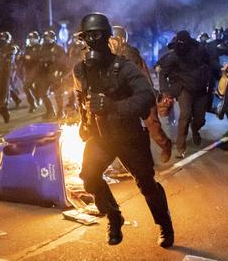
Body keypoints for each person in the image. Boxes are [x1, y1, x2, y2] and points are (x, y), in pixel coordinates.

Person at [74, 13, 174, 247]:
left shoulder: (124, 67)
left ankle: (164, 225)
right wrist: (84, 122)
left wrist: (113, 107)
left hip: (128, 136)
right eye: (85, 37)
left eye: (95, 35)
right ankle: (114, 216)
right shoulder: (80, 70)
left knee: (146, 184)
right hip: (100, 137)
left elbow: (146, 96)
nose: (90, 41)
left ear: (107, 37)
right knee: (89, 178)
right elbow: (81, 97)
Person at [109, 25, 173, 163]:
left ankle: (166, 145)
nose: (110, 44)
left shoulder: (129, 55)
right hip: (128, 98)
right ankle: (129, 162)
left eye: (113, 40)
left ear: (120, 40)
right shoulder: (113, 56)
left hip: (143, 94)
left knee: (153, 126)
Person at [157, 31, 211, 158]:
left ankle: (196, 129)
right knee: (185, 115)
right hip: (183, 88)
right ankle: (180, 148)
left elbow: (210, 64)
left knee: (200, 119)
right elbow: (162, 73)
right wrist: (165, 91)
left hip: (200, 88)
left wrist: (213, 76)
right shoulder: (174, 55)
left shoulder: (200, 51)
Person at [37, 30, 68, 119]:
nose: (48, 39)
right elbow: (39, 60)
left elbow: (64, 62)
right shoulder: (42, 48)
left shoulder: (59, 48)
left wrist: (61, 73)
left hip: (56, 75)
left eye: (49, 37)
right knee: (43, 93)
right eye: (46, 38)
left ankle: (60, 112)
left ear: (53, 38)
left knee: (58, 94)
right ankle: (50, 111)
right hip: (45, 75)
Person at [17, 31, 41, 113]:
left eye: (33, 38)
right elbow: (24, 59)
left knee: (36, 87)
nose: (31, 40)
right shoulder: (27, 48)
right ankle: (32, 104)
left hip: (38, 72)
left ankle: (37, 99)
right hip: (29, 72)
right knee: (26, 87)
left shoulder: (40, 47)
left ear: (37, 39)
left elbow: (39, 58)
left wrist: (30, 57)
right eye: (30, 38)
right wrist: (20, 58)